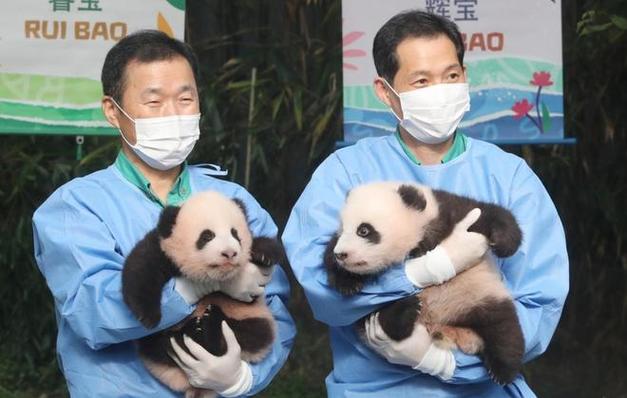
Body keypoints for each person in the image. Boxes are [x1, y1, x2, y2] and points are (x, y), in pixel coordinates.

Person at [282, 10, 568, 397]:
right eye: (421, 81)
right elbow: (324, 291)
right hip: (375, 388)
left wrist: (445, 362)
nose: (441, 89)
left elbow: (540, 301)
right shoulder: (346, 174)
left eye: (451, 76)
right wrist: (424, 271)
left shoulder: (509, 177)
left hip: (484, 387)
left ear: (465, 76)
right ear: (385, 92)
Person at [32, 30, 295, 397]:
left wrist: (242, 380)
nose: (173, 113)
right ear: (113, 111)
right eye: (153, 102)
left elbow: (278, 310)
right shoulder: (76, 207)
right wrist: (197, 284)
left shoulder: (233, 200)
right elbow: (93, 315)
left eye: (185, 98)